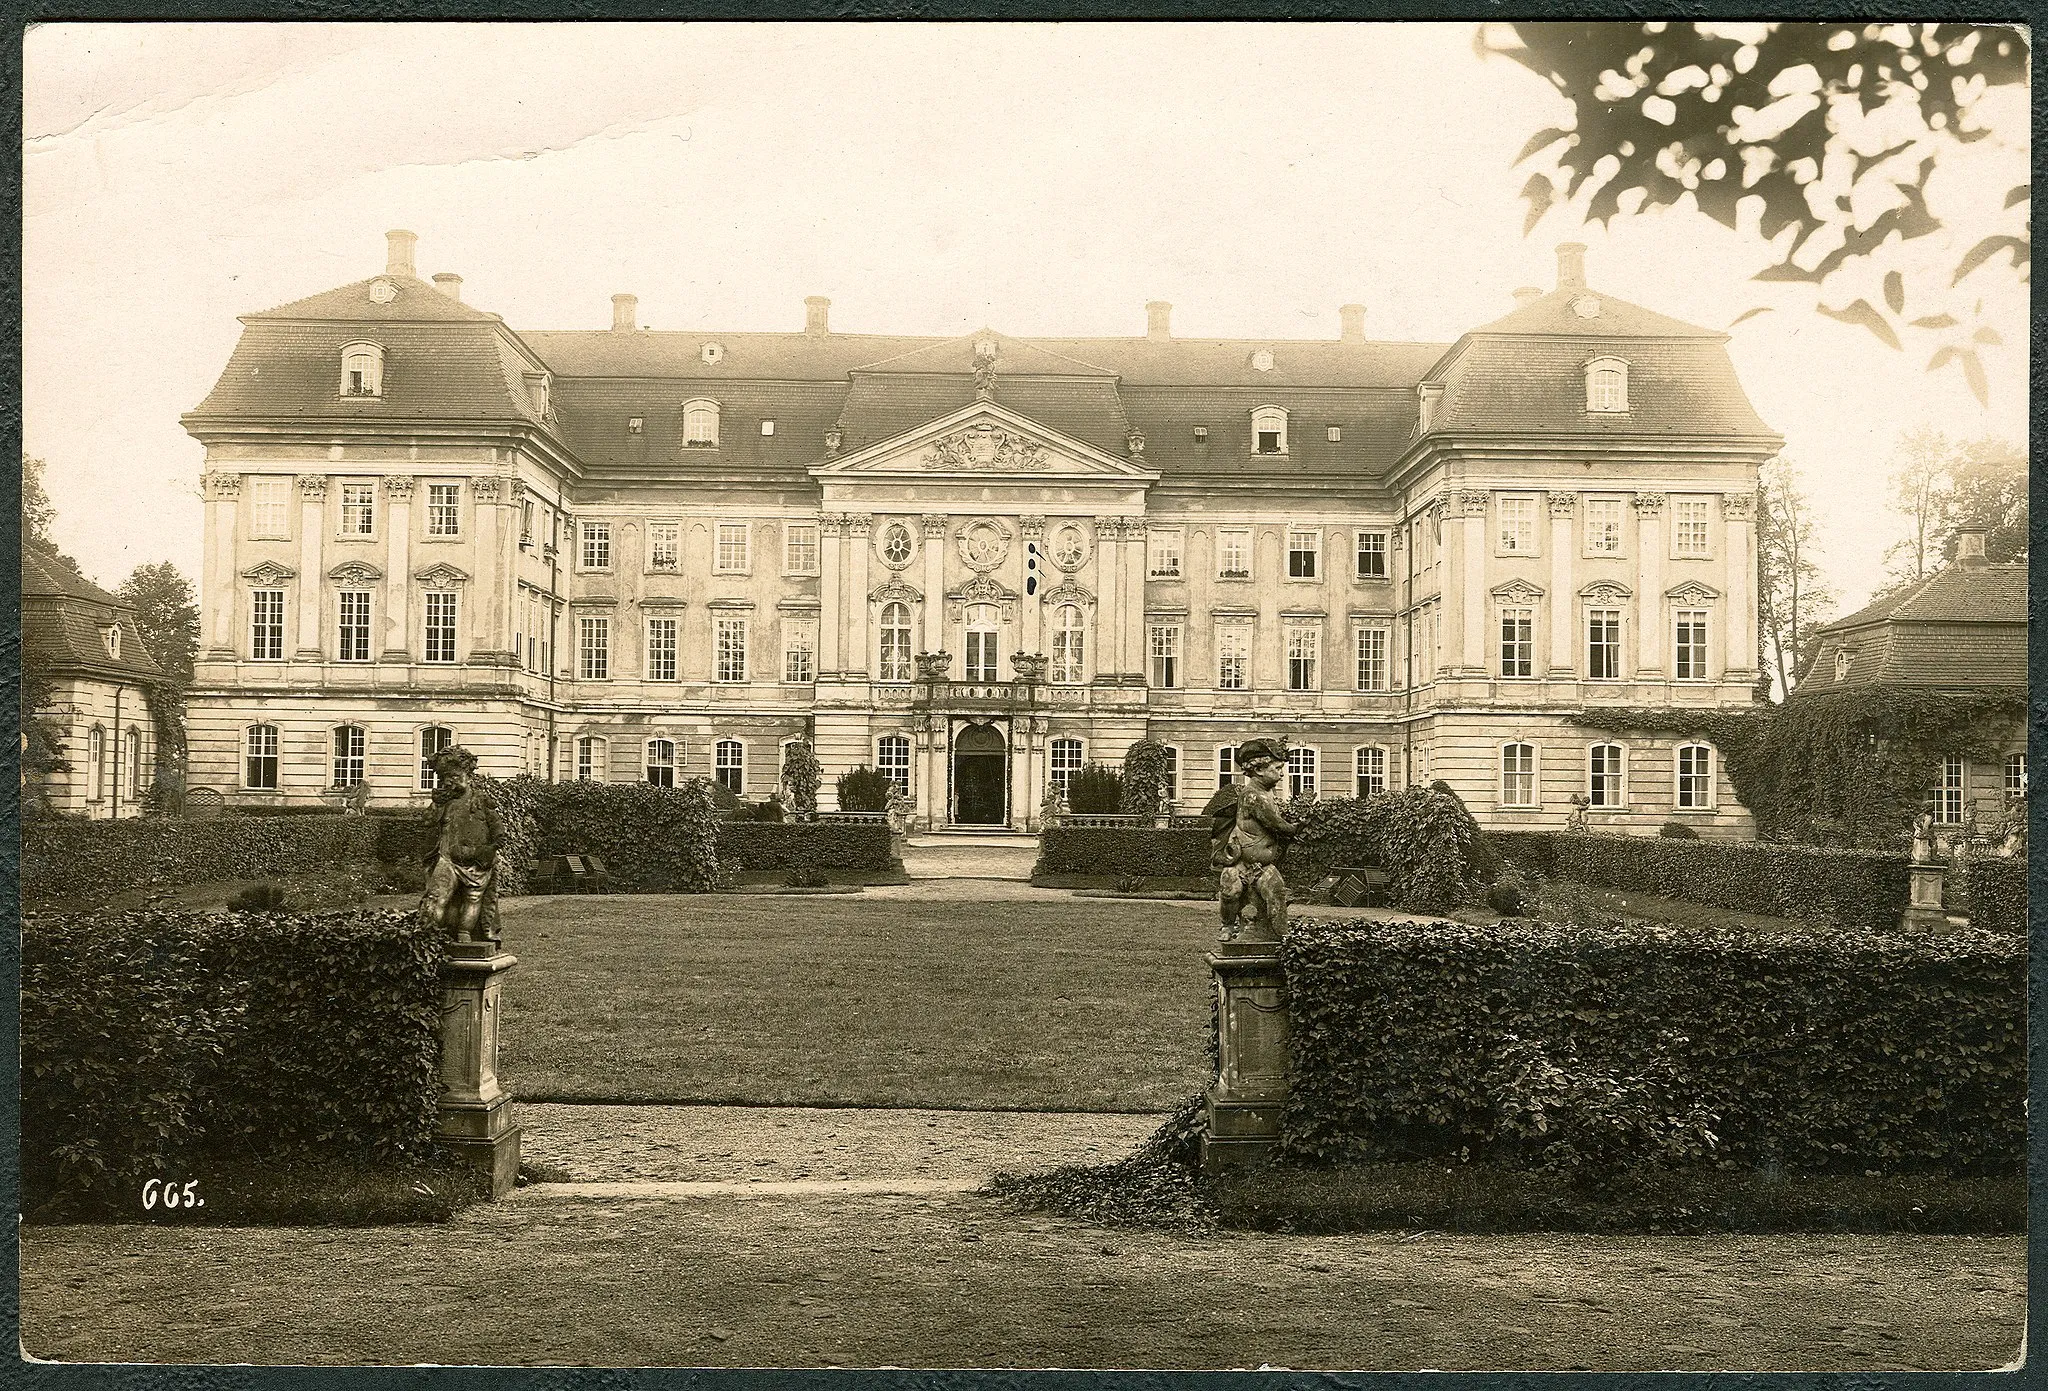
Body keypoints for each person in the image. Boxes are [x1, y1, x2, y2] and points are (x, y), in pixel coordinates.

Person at [1214, 737, 1299, 942]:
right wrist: (1296, 827)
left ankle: (1281, 937)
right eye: (1277, 768)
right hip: (1241, 864)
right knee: (1230, 891)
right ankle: (1227, 925)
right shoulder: (1252, 795)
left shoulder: (1267, 792)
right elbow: (1277, 824)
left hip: (1263, 865)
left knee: (1277, 892)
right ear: (1260, 770)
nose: (1282, 773)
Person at [420, 745, 505, 946]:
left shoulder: (481, 800)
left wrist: (490, 849)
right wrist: (436, 804)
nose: (450, 781)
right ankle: (427, 935)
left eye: (456, 776)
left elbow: (497, 828)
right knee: (436, 896)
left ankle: (465, 935)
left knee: (473, 898)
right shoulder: (444, 801)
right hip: (447, 858)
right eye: (446, 778)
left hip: (476, 861)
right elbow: (428, 822)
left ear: (468, 776)